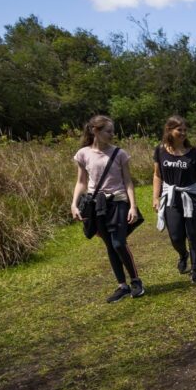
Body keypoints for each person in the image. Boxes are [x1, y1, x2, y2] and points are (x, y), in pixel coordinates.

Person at [71, 115, 145, 302]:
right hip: (97, 205)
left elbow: (128, 181)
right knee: (110, 245)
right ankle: (122, 286)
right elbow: (81, 182)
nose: (112, 135)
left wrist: (133, 206)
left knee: (119, 243)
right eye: (108, 131)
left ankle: (136, 281)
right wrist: (74, 204)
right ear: (94, 131)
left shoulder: (120, 154)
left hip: (118, 201)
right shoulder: (83, 154)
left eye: (113, 131)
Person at [152, 115, 196, 284]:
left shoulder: (193, 153)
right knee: (175, 236)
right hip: (171, 198)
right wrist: (156, 197)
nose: (183, 133)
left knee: (194, 236)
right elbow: (157, 175)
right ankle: (183, 254)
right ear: (169, 130)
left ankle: (195, 270)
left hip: (192, 198)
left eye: (185, 130)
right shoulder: (160, 150)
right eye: (179, 130)